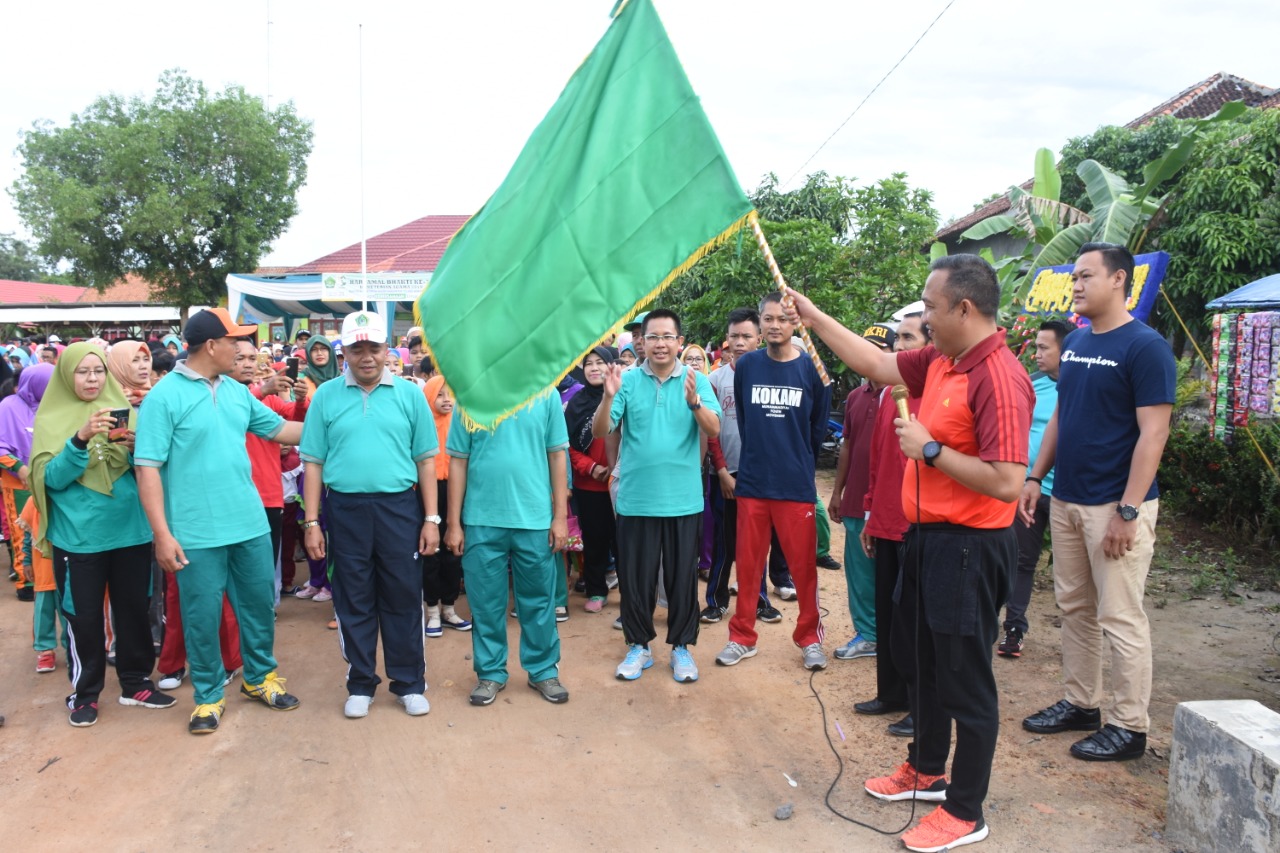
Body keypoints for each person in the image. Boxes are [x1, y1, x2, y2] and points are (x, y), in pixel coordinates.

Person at [786, 255, 1033, 853]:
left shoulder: (997, 376)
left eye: (929, 307)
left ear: (964, 309)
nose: (922, 317)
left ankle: (965, 810)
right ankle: (925, 769)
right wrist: (813, 317)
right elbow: (875, 362)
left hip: (970, 548)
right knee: (919, 661)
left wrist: (930, 452)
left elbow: (1007, 481)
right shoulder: (944, 360)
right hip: (927, 540)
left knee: (964, 680)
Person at [1020, 243, 1176, 762]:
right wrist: (1035, 477)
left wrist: (1128, 511)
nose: (1077, 285)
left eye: (1086, 276)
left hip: (1115, 506)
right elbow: (1062, 416)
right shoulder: (1079, 342)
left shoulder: (1145, 347)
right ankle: (1081, 702)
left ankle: (1129, 726)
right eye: (1075, 277)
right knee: (1074, 608)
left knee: (1120, 616)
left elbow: (1154, 434)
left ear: (1118, 280)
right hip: (1066, 497)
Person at [135, 309, 304, 735]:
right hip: (196, 532)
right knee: (202, 616)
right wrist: (162, 534)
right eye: (235, 342)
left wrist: (336, 420)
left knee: (258, 608)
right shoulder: (164, 397)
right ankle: (209, 696)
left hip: (249, 523)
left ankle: (259, 677)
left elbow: (281, 430)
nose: (244, 350)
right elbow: (147, 468)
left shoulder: (235, 392)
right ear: (212, 346)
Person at [300, 309, 438, 718]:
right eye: (357, 349)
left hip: (399, 509)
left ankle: (409, 683)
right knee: (353, 597)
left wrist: (431, 519)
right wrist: (312, 522)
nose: (366, 357)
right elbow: (313, 463)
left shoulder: (410, 395)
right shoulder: (326, 396)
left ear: (386, 350)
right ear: (344, 353)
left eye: (374, 348)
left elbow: (426, 461)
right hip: (345, 510)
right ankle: (361, 682)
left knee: (402, 596)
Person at [30, 343, 177, 727]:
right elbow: (50, 480)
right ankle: (85, 693)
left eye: (98, 371)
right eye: (83, 372)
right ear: (67, 375)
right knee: (82, 617)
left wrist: (136, 448)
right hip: (78, 538)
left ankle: (136, 683)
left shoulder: (124, 408)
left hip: (130, 531)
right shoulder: (51, 418)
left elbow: (149, 469)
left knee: (134, 609)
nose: (92, 379)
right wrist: (79, 440)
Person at [593, 308, 720, 684]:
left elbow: (714, 429)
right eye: (653, 337)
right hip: (637, 500)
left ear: (679, 341)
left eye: (667, 336)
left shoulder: (697, 380)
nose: (660, 343)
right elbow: (602, 431)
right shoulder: (627, 380)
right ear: (642, 342)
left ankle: (681, 647)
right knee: (636, 578)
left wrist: (695, 403)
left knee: (682, 579)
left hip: (683, 500)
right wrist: (607, 397)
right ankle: (639, 646)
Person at [714, 293, 830, 671]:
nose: (775, 324)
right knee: (748, 567)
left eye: (782, 318)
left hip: (795, 485)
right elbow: (746, 422)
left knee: (803, 569)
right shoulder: (747, 366)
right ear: (761, 324)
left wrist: (795, 461)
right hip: (753, 483)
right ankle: (741, 637)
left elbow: (816, 429)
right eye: (768, 318)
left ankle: (810, 638)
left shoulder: (812, 369)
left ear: (794, 322)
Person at [446, 384, 571, 707]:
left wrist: (559, 516)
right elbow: (458, 461)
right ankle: (490, 672)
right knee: (485, 602)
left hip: (534, 519)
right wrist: (454, 523)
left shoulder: (546, 393)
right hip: (481, 519)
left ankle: (543, 670)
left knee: (539, 601)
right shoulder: (470, 395)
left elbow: (557, 455)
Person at [852, 312, 928, 738]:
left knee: (914, 618)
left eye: (909, 338)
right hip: (884, 517)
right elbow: (878, 459)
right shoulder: (887, 395)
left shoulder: (933, 392)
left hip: (917, 522)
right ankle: (891, 693)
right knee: (888, 613)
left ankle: (921, 706)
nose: (899, 347)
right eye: (898, 339)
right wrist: (868, 512)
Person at [703, 308, 788, 625]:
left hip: (761, 476)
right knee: (724, 543)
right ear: (726, 339)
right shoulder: (715, 380)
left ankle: (759, 600)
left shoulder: (772, 376)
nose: (739, 342)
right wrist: (722, 470)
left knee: (757, 542)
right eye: (734, 336)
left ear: (759, 339)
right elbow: (711, 432)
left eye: (746, 336)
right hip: (726, 474)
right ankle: (715, 601)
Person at [998, 319, 1069, 657]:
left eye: (1044, 348)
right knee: (1022, 562)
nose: (1036, 354)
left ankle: (1081, 637)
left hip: (1068, 493)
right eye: (1036, 346)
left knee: (1073, 571)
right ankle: (1014, 629)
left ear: (1065, 350)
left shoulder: (1081, 385)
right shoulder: (1031, 384)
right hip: (1029, 489)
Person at [828, 323, 896, 662]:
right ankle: (868, 634)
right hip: (856, 497)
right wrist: (837, 492)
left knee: (892, 572)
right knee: (859, 573)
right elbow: (848, 447)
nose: (871, 356)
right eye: (866, 348)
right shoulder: (856, 397)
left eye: (880, 350)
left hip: (893, 502)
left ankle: (893, 634)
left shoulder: (904, 394)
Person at [564, 347, 618, 613]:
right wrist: (591, 467)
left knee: (625, 540)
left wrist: (616, 467)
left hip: (621, 483)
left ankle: (632, 593)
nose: (594, 368)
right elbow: (566, 446)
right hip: (589, 485)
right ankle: (597, 590)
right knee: (594, 540)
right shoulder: (576, 403)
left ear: (610, 366)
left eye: (600, 362)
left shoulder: (621, 396)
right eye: (589, 363)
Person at [420, 375, 472, 636]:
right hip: (426, 492)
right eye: (439, 394)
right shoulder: (422, 424)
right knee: (430, 552)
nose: (446, 400)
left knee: (454, 551)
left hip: (456, 489)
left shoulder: (462, 423)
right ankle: (431, 611)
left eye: (450, 394)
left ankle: (449, 609)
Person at [294, 334, 341, 602]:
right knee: (310, 523)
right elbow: (296, 417)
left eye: (325, 349)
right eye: (315, 350)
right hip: (310, 462)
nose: (320, 354)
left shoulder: (343, 384)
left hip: (335, 467)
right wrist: (300, 400)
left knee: (331, 528)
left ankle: (331, 585)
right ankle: (316, 580)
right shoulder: (303, 381)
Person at [106, 340, 153, 408]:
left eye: (146, 359)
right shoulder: (105, 401)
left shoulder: (157, 396)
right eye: (135, 360)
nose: (143, 366)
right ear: (118, 366)